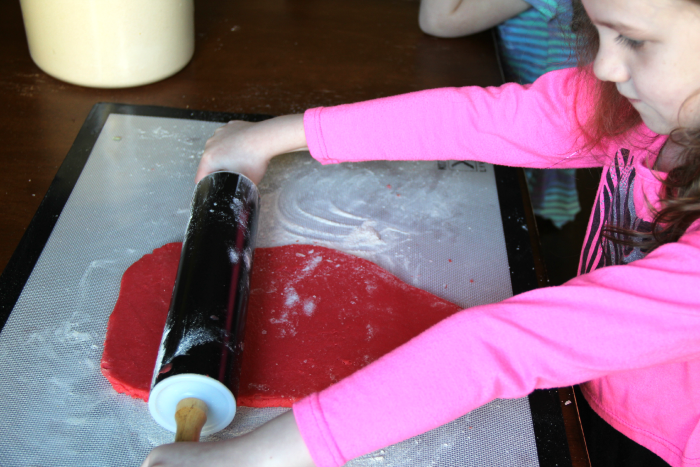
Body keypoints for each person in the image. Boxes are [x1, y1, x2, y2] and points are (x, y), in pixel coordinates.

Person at [141, 0, 700, 465]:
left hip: (664, 444)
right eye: (597, 30)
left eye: (633, 39)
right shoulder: (654, 108)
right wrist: (273, 137)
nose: (603, 67)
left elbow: (504, 345)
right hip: (599, 386)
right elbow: (489, 120)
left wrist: (250, 458)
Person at [420, 0, 582, 230]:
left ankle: (537, 222)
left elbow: (438, 19)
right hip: (528, 93)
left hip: (542, 110)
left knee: (521, 194)